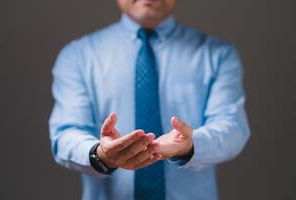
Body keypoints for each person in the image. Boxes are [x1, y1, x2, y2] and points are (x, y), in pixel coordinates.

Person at [49, 0, 250, 199]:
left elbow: (233, 127)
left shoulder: (218, 55)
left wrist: (191, 145)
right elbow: (66, 134)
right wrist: (101, 154)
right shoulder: (77, 56)